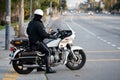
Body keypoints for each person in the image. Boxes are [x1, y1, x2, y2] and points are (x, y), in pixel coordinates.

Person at [26, 9, 56, 73]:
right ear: (41, 16)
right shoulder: (38, 24)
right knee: (48, 52)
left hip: (32, 41)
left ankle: (39, 68)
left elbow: (27, 31)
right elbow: (43, 34)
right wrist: (51, 36)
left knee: (42, 53)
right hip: (37, 42)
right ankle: (48, 69)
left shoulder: (31, 22)